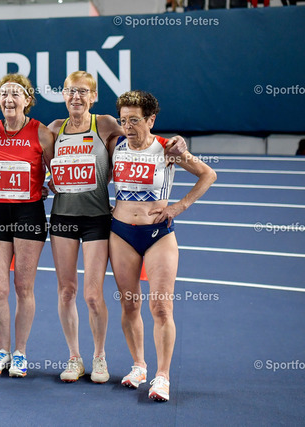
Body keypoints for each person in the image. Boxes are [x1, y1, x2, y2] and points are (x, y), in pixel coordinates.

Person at [110, 90, 216, 401]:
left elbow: (208, 174)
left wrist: (179, 206)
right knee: (129, 304)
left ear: (151, 120)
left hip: (158, 234)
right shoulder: (115, 146)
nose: (128, 126)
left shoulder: (167, 148)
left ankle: (163, 375)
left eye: (135, 120)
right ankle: (139, 366)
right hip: (121, 234)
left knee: (160, 307)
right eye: (123, 120)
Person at [46, 71, 123, 383]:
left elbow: (134, 147)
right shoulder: (54, 129)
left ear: (94, 96)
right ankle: (74, 357)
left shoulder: (104, 124)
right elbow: (46, 168)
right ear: (63, 95)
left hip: (96, 218)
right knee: (66, 291)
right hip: (62, 217)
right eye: (70, 91)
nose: (76, 97)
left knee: (92, 295)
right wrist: (50, 181)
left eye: (83, 91)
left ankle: (99, 356)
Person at [0, 74, 54, 378]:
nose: (9, 99)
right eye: (4, 94)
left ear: (28, 99)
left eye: (15, 94)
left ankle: (21, 353)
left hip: (29, 215)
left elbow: (57, 172)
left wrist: (47, 185)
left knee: (23, 287)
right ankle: (3, 350)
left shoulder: (42, 133)